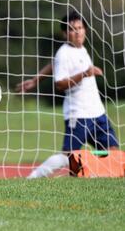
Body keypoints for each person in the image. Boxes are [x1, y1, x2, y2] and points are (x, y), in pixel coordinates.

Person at [16, 11, 119, 178]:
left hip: (97, 113)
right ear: (65, 33)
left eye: (80, 28)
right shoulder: (64, 53)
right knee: (67, 156)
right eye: (72, 29)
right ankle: (32, 178)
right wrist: (85, 74)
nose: (77, 32)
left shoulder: (80, 48)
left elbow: (52, 64)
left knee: (112, 152)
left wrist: (35, 80)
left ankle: (90, 174)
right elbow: (60, 84)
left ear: (85, 29)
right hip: (78, 115)